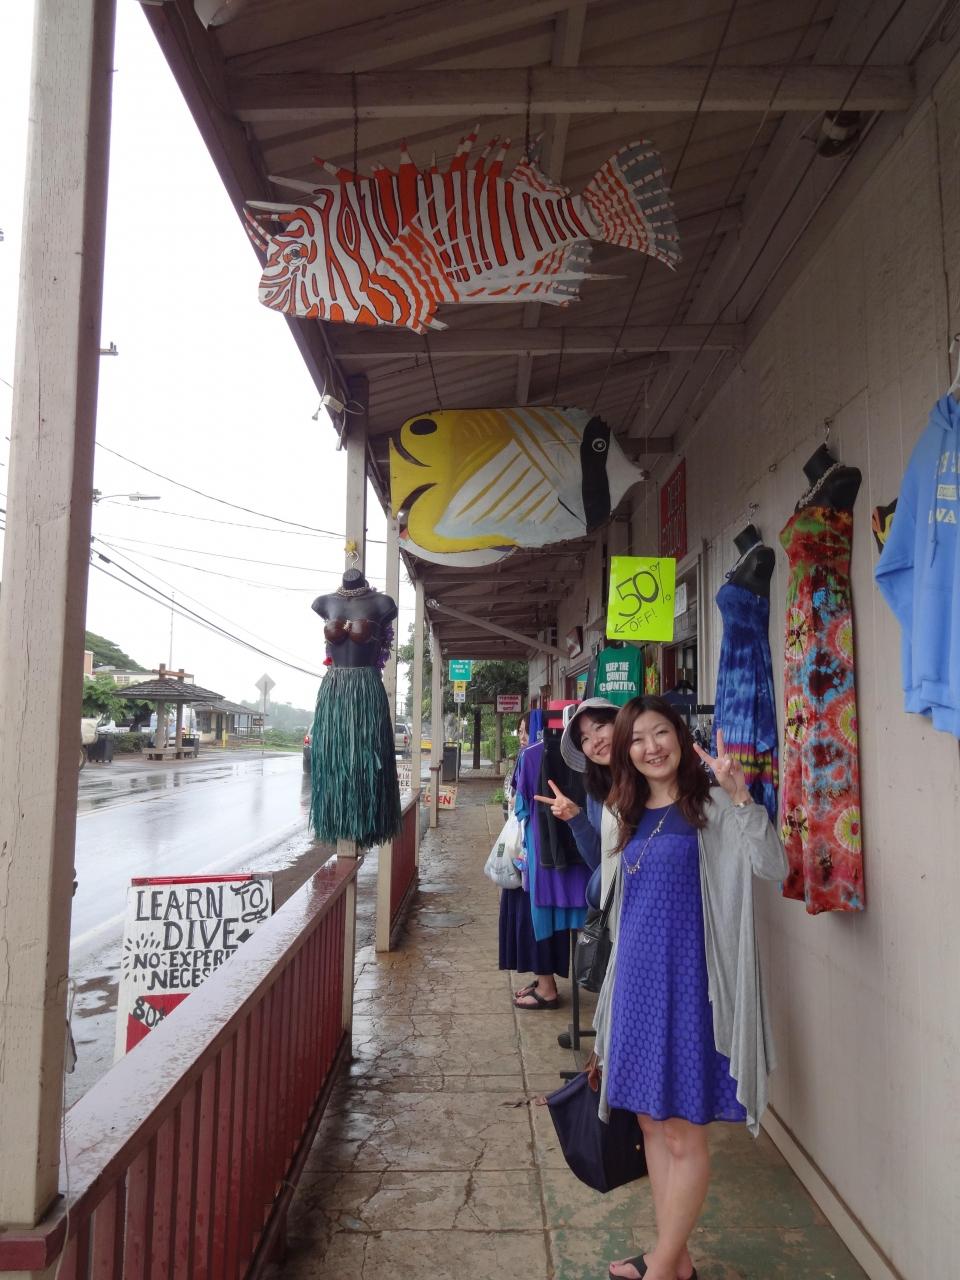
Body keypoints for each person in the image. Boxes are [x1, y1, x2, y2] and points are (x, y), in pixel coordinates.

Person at [593, 695, 787, 1280]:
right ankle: (674, 1260)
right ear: (626, 752)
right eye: (637, 739)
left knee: (683, 1133)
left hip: (692, 989)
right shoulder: (623, 811)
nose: (651, 747)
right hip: (636, 986)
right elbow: (612, 901)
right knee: (650, 1125)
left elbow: (773, 867)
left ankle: (661, 1268)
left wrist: (742, 795)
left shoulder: (713, 805)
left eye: (660, 733)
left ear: (680, 736)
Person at [498, 713, 569, 1009]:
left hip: (537, 858)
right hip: (537, 854)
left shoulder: (535, 758)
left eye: (526, 730)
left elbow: (520, 805)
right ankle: (543, 981)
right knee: (533, 917)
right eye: (520, 731)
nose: (523, 736)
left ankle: (547, 987)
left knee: (535, 918)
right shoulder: (532, 757)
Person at [534, 697, 619, 906]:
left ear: (621, 724)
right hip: (618, 906)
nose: (595, 741)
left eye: (599, 727)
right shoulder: (597, 792)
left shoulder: (653, 779)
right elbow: (599, 862)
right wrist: (576, 819)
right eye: (585, 739)